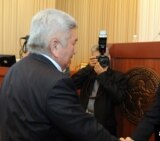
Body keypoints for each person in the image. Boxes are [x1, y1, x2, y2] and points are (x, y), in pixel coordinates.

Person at [0, 9, 120, 141]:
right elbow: (82, 128)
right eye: (73, 43)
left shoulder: (15, 69)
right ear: (55, 46)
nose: (75, 51)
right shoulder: (57, 82)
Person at [71, 45, 127, 136]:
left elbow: (118, 98)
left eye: (102, 57)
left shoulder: (118, 76)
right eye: (96, 58)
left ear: (109, 58)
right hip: (82, 121)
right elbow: (72, 84)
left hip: (103, 126)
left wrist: (102, 75)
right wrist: (88, 67)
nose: (99, 61)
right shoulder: (88, 73)